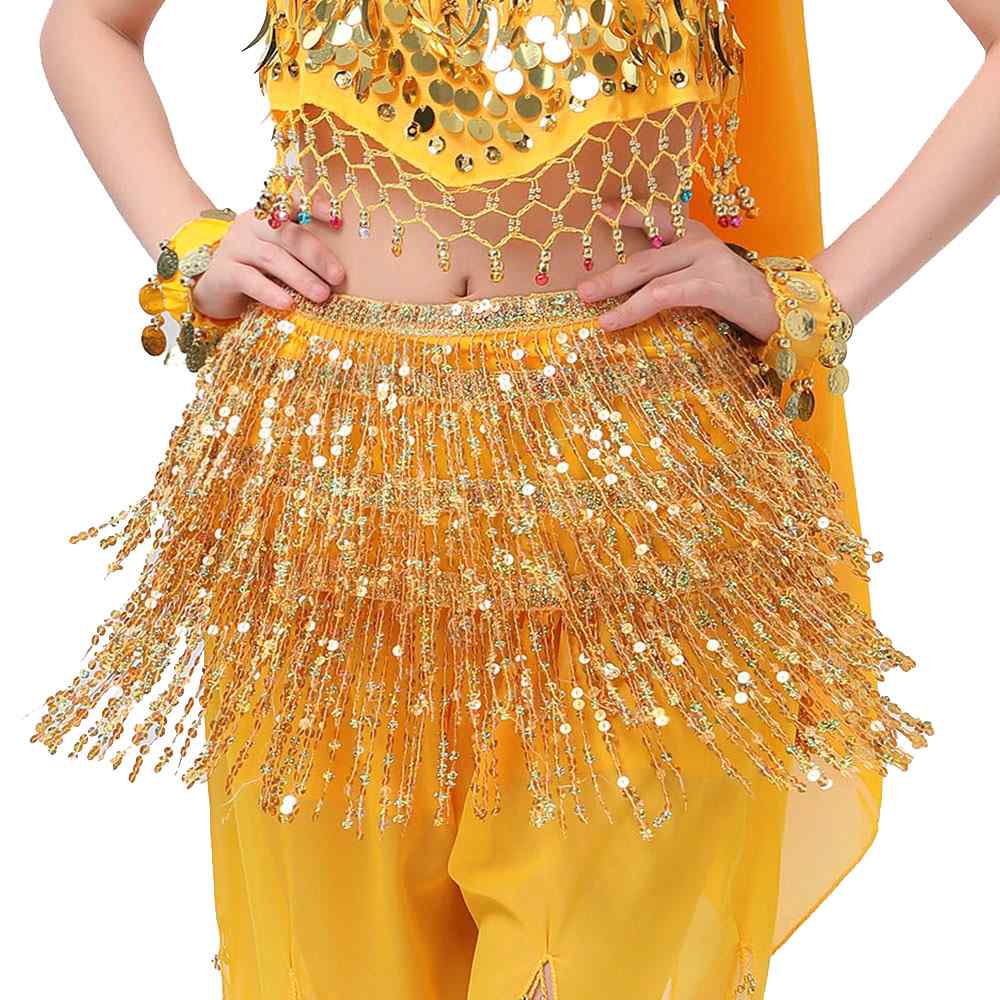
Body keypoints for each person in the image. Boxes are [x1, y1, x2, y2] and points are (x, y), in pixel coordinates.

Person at [31, 2, 998, 998]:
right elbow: (90, 26)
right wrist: (190, 241)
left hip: (639, 503)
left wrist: (810, 300)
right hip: (330, 504)